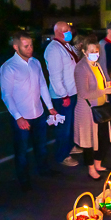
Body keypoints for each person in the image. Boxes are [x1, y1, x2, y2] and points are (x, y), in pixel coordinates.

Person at [0, 31, 58, 191]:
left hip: (39, 113)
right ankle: (23, 180)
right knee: (22, 151)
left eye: (31, 45)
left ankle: (44, 170)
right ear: (16, 46)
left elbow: (42, 86)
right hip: (22, 116)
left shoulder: (35, 63)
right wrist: (18, 117)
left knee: (41, 146)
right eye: (26, 46)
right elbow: (6, 95)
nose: (30, 48)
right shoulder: (9, 67)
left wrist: (50, 107)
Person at [74, 36, 111, 180]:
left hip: (100, 108)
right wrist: (105, 91)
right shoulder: (81, 68)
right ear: (84, 51)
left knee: (103, 138)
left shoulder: (96, 65)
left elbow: (101, 84)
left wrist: (110, 84)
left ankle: (98, 164)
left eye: (97, 50)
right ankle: (91, 168)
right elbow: (83, 92)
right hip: (87, 110)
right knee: (89, 142)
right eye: (92, 51)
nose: (95, 53)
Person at [44, 21, 80, 167]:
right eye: (65, 30)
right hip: (62, 96)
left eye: (69, 29)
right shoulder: (53, 50)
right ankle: (62, 155)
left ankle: (70, 147)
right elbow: (55, 76)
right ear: (58, 32)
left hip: (72, 92)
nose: (69, 32)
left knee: (70, 125)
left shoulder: (66, 45)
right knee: (63, 128)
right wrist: (63, 95)